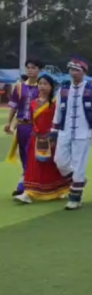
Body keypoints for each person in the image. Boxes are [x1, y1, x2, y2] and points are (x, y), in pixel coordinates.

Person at [50, 57, 92, 210]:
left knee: (79, 165)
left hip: (83, 132)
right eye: (71, 69)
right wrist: (54, 131)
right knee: (60, 161)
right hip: (65, 131)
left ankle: (75, 198)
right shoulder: (63, 90)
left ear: (84, 72)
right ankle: (79, 181)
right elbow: (58, 112)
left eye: (77, 70)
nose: (73, 73)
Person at [13, 73, 71, 204]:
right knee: (32, 166)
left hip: (51, 139)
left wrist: (54, 136)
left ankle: (61, 188)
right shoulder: (33, 103)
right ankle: (28, 193)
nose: (42, 86)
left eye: (45, 84)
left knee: (51, 166)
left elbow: (59, 121)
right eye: (40, 84)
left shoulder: (55, 104)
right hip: (35, 139)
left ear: (51, 87)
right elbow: (32, 121)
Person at [5, 59, 43, 196]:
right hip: (22, 127)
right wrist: (9, 123)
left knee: (30, 154)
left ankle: (23, 185)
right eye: (28, 68)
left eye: (33, 68)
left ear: (39, 70)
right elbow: (14, 106)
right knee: (23, 154)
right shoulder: (20, 87)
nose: (30, 70)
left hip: (36, 127)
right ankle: (29, 182)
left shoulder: (43, 87)